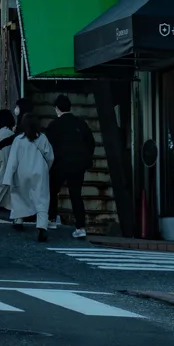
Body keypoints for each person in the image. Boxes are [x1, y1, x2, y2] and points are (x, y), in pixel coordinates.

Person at [0, 114, 55, 242]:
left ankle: (18, 219)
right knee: (41, 199)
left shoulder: (19, 139)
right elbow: (50, 157)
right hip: (40, 172)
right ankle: (42, 226)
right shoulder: (42, 138)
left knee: (19, 195)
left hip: (22, 172)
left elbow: (13, 161)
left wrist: (7, 179)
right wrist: (46, 168)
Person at [45, 94, 96, 239]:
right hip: (78, 164)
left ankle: (52, 219)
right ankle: (80, 227)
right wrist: (85, 157)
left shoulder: (54, 125)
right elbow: (91, 143)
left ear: (57, 109)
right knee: (76, 194)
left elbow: (48, 146)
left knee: (53, 191)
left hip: (59, 163)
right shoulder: (80, 123)